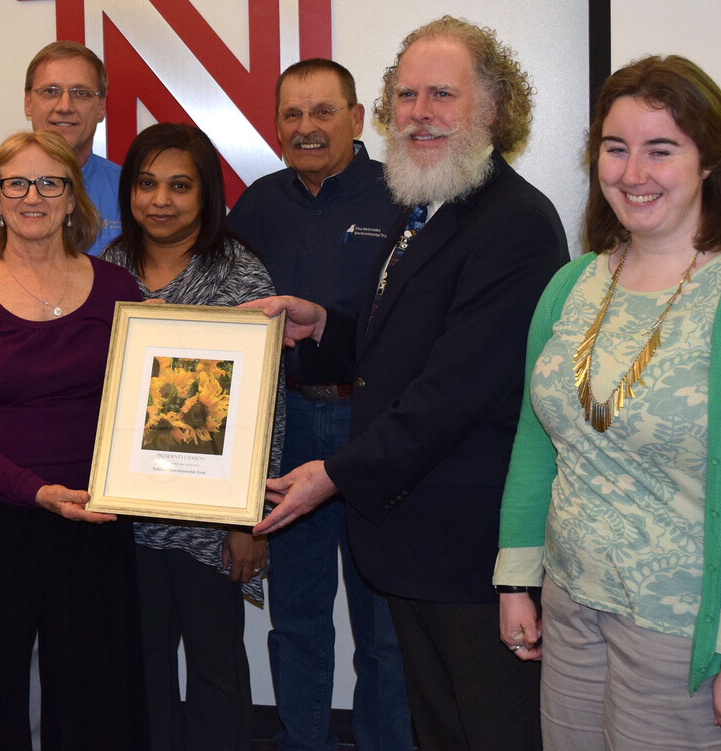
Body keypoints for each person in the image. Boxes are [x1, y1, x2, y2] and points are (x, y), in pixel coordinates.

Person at [245, 16, 568, 751]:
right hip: (412, 541)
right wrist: (324, 324)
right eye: (409, 95)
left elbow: (453, 391)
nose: (420, 113)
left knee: (487, 730)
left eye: (442, 95)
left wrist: (333, 472)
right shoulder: (424, 205)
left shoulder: (516, 222)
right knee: (439, 729)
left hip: (470, 554)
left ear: (492, 106)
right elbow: (400, 349)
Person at [495, 55, 721, 751]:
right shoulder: (573, 284)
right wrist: (517, 578)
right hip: (575, 606)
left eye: (661, 149)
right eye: (615, 149)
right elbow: (538, 438)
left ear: (710, 160)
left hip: (693, 634)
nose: (631, 172)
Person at [0, 130, 149, 749]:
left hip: (95, 519)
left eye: (50, 182)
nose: (33, 196)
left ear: (73, 198)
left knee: (95, 694)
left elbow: (144, 405)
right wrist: (38, 492)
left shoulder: (117, 291)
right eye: (16, 184)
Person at [228, 58, 412, 751]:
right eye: (293, 115)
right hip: (288, 425)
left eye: (324, 111)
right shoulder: (256, 205)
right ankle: (303, 739)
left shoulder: (401, 197)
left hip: (372, 428)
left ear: (359, 119)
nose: (307, 128)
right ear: (275, 127)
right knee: (297, 614)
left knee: (382, 624)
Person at [101, 122, 283, 751]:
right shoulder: (105, 272)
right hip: (126, 517)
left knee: (216, 668)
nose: (160, 200)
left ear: (206, 193)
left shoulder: (240, 275)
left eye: (179, 186)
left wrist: (248, 519)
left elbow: (267, 407)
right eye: (146, 184)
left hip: (213, 522)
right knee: (138, 667)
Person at [0, 41, 121, 270]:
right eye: (50, 92)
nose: (65, 106)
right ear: (28, 103)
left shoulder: (126, 189)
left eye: (81, 93)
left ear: (100, 107)